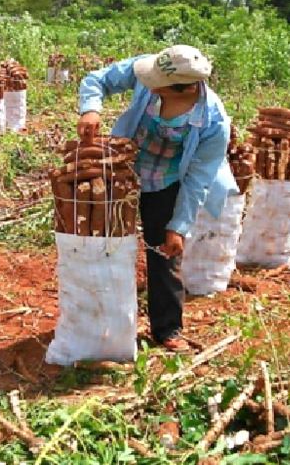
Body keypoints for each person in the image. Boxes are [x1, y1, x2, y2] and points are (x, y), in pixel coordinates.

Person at [77, 45, 236, 351]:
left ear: (185, 87)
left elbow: (199, 178)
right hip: (121, 170)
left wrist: (179, 226)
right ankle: (101, 317)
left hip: (168, 179)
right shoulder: (149, 71)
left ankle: (167, 329)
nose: (148, 79)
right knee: (104, 241)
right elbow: (97, 79)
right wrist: (90, 108)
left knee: (164, 252)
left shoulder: (213, 121)